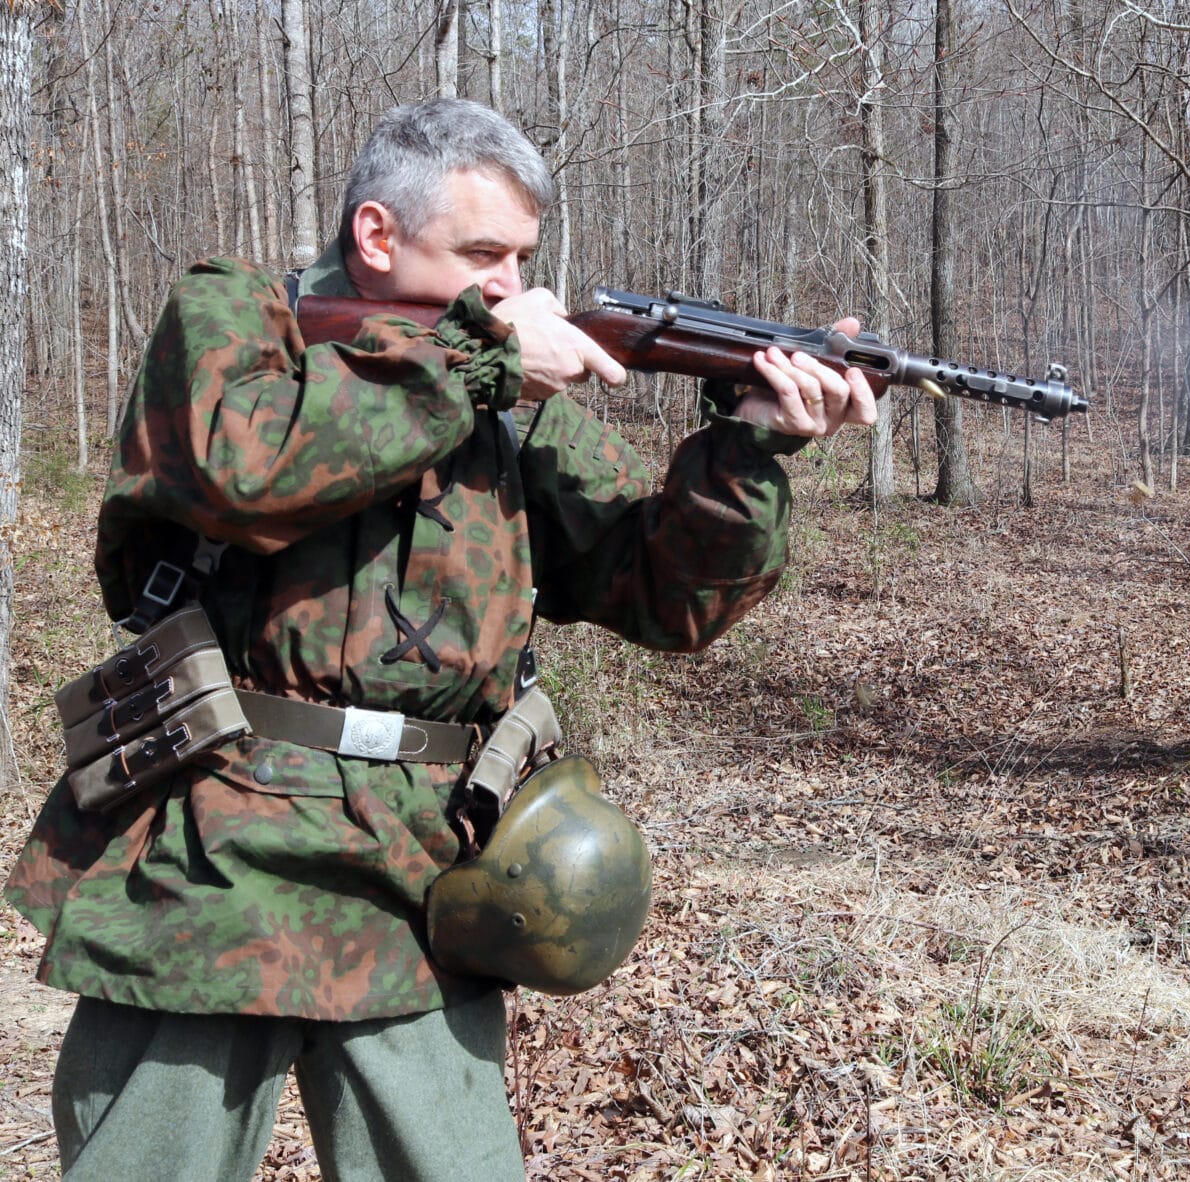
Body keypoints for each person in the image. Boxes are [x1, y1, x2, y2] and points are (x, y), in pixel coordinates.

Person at [4, 97, 876, 1180]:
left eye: (522, 257)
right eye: (482, 253)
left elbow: (659, 594)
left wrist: (745, 450)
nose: (510, 284)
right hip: (211, 856)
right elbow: (242, 467)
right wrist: (477, 367)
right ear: (377, 236)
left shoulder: (506, 393)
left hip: (424, 874)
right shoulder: (240, 319)